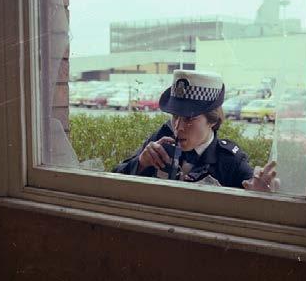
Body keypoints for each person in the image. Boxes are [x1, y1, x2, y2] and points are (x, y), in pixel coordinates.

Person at [114, 70, 279, 192]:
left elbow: (256, 195)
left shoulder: (229, 161)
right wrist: (140, 163)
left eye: (189, 119)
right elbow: (113, 181)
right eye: (175, 116)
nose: (178, 127)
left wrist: (258, 194)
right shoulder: (161, 140)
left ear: (212, 121)